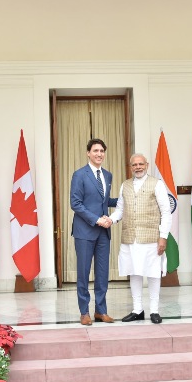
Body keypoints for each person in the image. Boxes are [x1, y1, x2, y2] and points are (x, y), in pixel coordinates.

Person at [108, 153, 171, 324]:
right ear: (130, 167)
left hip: (151, 238)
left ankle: (155, 311)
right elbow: (120, 209)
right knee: (134, 272)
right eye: (134, 164)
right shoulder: (125, 185)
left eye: (140, 164)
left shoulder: (156, 184)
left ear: (147, 165)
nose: (138, 167)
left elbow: (166, 212)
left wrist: (163, 237)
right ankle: (137, 310)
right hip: (130, 238)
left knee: (152, 273)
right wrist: (110, 220)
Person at [70, 138, 118, 326]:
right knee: (83, 273)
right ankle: (84, 312)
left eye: (102, 151)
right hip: (85, 231)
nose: (99, 154)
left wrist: (124, 198)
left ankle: (101, 311)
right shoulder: (79, 175)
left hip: (103, 234)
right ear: (88, 153)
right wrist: (97, 219)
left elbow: (102, 201)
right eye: (95, 151)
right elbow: (76, 203)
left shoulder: (107, 175)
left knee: (102, 273)